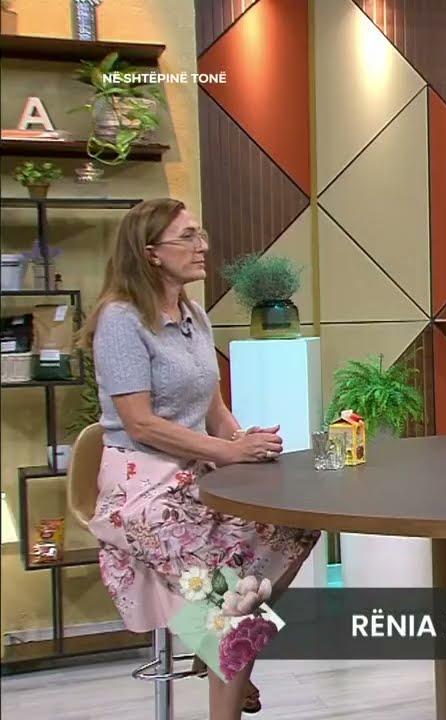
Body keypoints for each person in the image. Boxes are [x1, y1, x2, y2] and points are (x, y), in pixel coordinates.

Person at [79, 198, 321, 719]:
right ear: (151, 253)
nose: (202, 246)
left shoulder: (193, 315)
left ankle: (223, 651)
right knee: (229, 602)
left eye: (200, 234)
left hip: (195, 475)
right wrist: (229, 452)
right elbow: (140, 423)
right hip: (140, 488)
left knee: (297, 521)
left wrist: (246, 442)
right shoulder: (121, 320)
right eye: (187, 237)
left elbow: (214, 410)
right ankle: (224, 653)